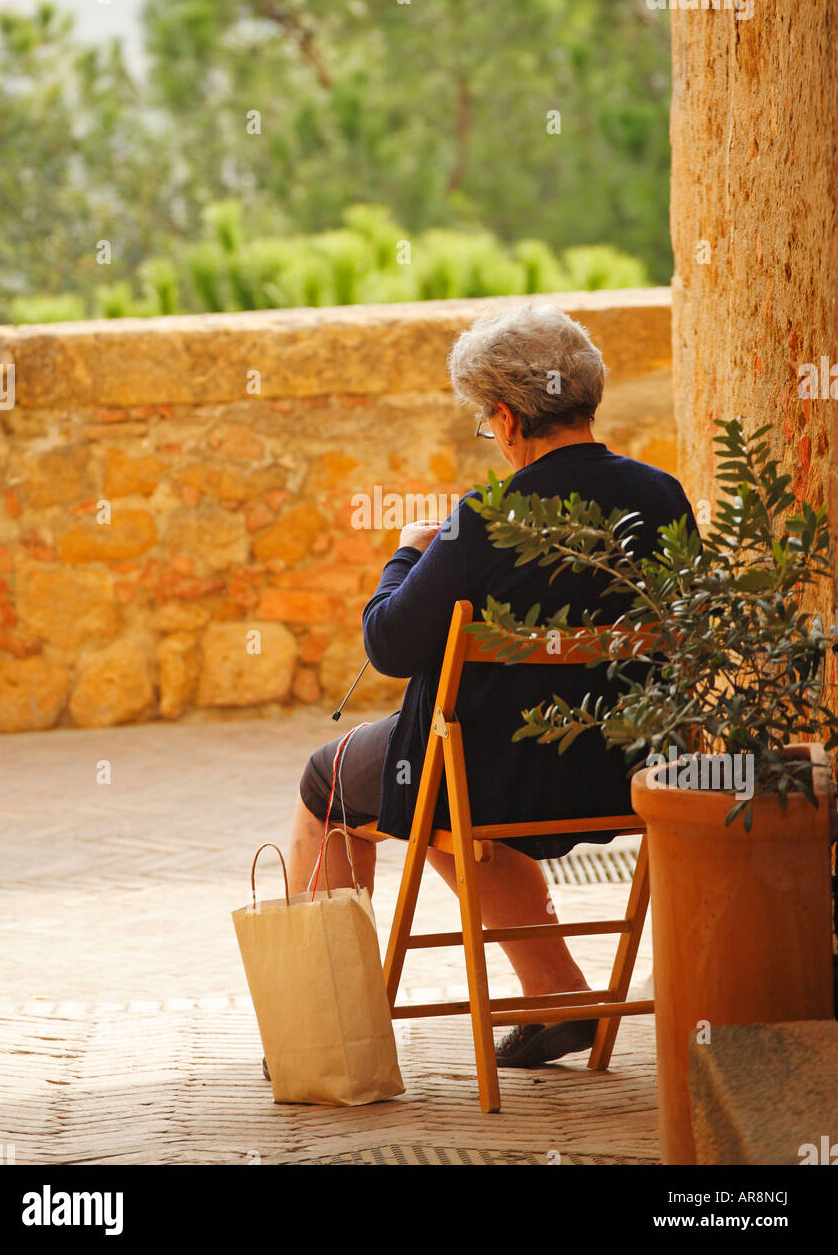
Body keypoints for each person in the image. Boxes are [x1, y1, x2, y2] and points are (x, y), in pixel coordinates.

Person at [286, 302, 697, 1068]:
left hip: (499, 783)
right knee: (445, 774)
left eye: (486, 421)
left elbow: (390, 643)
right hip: (634, 771)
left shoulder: (489, 519)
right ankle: (556, 995)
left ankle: (323, 1036)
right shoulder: (664, 497)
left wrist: (407, 554)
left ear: (507, 419)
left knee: (336, 780)